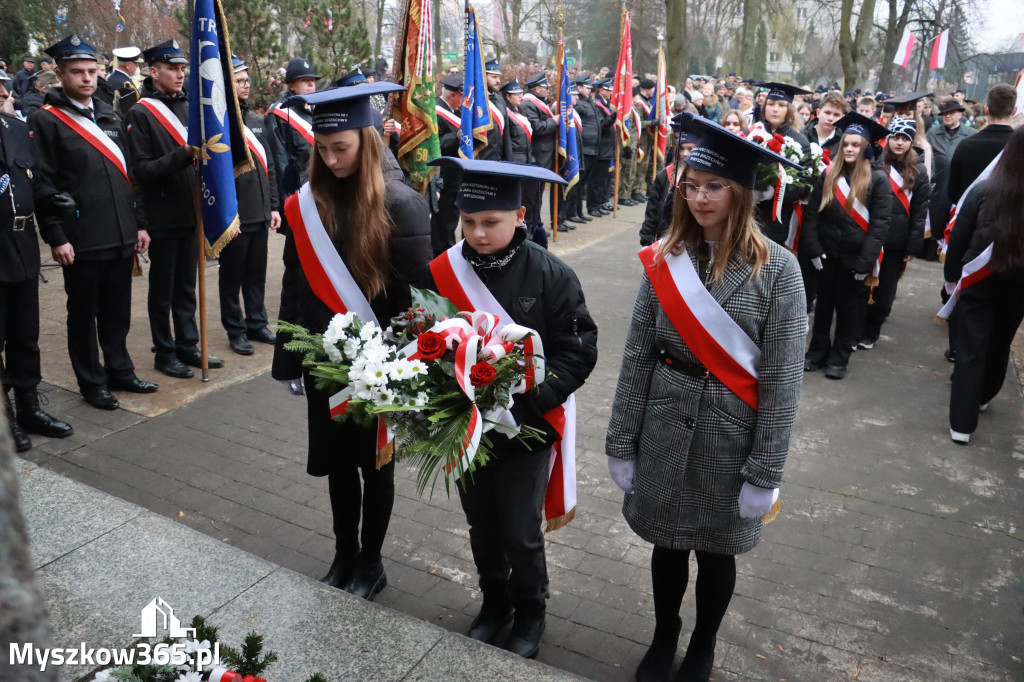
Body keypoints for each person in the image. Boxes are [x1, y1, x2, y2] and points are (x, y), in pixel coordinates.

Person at [606, 112, 806, 682]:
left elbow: (783, 379)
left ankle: (703, 644)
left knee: (717, 552)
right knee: (666, 546)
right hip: (664, 426)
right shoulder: (665, 258)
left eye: (713, 186)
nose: (698, 198)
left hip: (730, 433)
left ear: (741, 191)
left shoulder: (780, 271)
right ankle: (664, 632)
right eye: (689, 185)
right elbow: (638, 353)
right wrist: (622, 439)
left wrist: (765, 470)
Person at [424, 156, 598, 659]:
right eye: (469, 222)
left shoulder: (550, 274)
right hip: (466, 426)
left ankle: (531, 610)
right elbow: (428, 339)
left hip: (526, 429)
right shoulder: (444, 270)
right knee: (480, 523)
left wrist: (530, 405)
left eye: (491, 222)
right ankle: (494, 603)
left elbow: (578, 350)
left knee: (521, 532)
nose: (478, 234)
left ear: (520, 216)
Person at [271, 83, 431, 600]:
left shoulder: (401, 205)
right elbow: (295, 280)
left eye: (341, 147)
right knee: (337, 463)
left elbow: (421, 297)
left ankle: (371, 561)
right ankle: (343, 553)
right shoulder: (307, 202)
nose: (331, 158)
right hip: (326, 359)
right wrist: (290, 360)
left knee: (373, 465)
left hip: (379, 364)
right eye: (322, 148)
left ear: (366, 141)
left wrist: (405, 365)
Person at [29, 34, 158, 410]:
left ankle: (120, 370)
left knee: (117, 311)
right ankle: (92, 381)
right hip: (81, 237)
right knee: (83, 314)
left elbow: (129, 176)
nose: (86, 78)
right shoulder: (45, 120)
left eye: (91, 71)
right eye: (77, 72)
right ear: (61, 74)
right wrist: (55, 236)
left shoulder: (108, 113)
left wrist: (139, 224)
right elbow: (43, 183)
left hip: (120, 234)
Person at [126, 40, 224, 380]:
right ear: (153, 72)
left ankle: (188, 345)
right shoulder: (140, 113)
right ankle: (163, 352)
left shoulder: (191, 107)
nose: (180, 74)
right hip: (163, 215)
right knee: (163, 289)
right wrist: (184, 154)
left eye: (183, 68)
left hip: (192, 212)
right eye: (172, 68)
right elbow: (142, 171)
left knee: (187, 285)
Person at [0, 70, 76, 450]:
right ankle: (5, 418)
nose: (2, 91)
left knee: (25, 335)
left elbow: (32, 178)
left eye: (1, 85)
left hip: (21, 244)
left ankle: (30, 407)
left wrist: (51, 197)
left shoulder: (16, 128)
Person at [944, 127, 1024, 445]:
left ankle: (961, 424)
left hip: (979, 280)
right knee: (1001, 341)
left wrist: (951, 276)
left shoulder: (983, 191)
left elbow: (960, 236)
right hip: (1018, 283)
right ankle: (984, 395)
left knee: (970, 349)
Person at [802, 113, 891, 379]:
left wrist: (866, 262)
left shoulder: (878, 180)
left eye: (856, 144)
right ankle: (817, 351)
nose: (850, 148)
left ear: (865, 148)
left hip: (855, 258)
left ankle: (839, 358)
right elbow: (812, 215)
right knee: (824, 307)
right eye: (846, 144)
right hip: (827, 254)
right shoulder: (828, 174)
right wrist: (814, 249)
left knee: (849, 310)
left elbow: (880, 226)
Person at [219, 56, 281, 356]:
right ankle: (236, 329)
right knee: (232, 276)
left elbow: (268, 168)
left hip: (259, 213)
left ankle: (257, 322)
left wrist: (273, 206)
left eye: (247, 80)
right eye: (240, 81)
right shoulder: (221, 124)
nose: (246, 85)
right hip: (234, 215)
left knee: (256, 273)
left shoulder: (256, 121)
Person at [858, 118, 930, 349]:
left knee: (885, 289)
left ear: (911, 141)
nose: (899, 143)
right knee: (860, 285)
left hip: (896, 242)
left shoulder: (919, 170)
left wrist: (912, 245)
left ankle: (872, 331)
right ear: (888, 139)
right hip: (869, 236)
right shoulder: (875, 163)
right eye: (895, 137)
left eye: (905, 138)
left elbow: (920, 212)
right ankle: (855, 328)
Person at [750, 83, 812, 247]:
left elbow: (805, 184)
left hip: (775, 220)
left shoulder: (800, 142)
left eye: (781, 105)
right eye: (770, 104)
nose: (775, 109)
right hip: (748, 214)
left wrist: (773, 193)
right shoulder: (753, 133)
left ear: (789, 110)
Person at [924, 99, 975, 261]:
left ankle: (946, 249)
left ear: (960, 114)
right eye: (945, 113)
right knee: (934, 214)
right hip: (937, 181)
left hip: (959, 183)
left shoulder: (971, 134)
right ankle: (929, 248)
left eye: (951, 113)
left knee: (952, 215)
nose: (947, 116)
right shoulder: (933, 133)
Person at [265, 58, 320, 201]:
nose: (310, 84)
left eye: (313, 80)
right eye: (304, 80)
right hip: (297, 194)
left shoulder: (315, 110)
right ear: (290, 85)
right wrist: (288, 202)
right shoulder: (278, 114)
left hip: (319, 190)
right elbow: (279, 164)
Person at [639, 125, 698, 247]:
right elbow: (651, 211)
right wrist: (646, 240)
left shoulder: (702, 179)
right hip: (664, 239)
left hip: (690, 242)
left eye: (690, 149)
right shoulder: (665, 175)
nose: (684, 153)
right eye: (681, 148)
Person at [521, 72, 561, 240]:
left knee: (537, 195)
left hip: (545, 155)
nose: (548, 90)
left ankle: (536, 225)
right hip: (537, 155)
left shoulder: (538, 103)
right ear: (537, 89)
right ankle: (530, 227)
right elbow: (536, 128)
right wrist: (555, 122)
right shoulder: (528, 104)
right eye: (545, 87)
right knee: (532, 196)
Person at [431, 73, 465, 255]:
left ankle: (448, 246)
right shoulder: (436, 111)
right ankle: (441, 249)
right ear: (454, 95)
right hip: (444, 172)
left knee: (452, 214)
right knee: (443, 216)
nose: (463, 101)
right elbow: (437, 143)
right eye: (462, 96)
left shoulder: (456, 111)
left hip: (456, 172)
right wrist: (457, 136)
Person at [479, 59, 512, 162]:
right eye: (494, 77)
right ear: (483, 77)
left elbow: (506, 135)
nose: (498, 81)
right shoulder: (474, 100)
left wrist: (509, 160)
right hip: (481, 160)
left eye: (498, 77)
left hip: (499, 159)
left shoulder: (500, 99)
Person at [107, 46, 142, 115]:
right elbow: (129, 110)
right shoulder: (124, 83)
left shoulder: (113, 77)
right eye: (135, 63)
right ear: (128, 65)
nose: (137, 66)